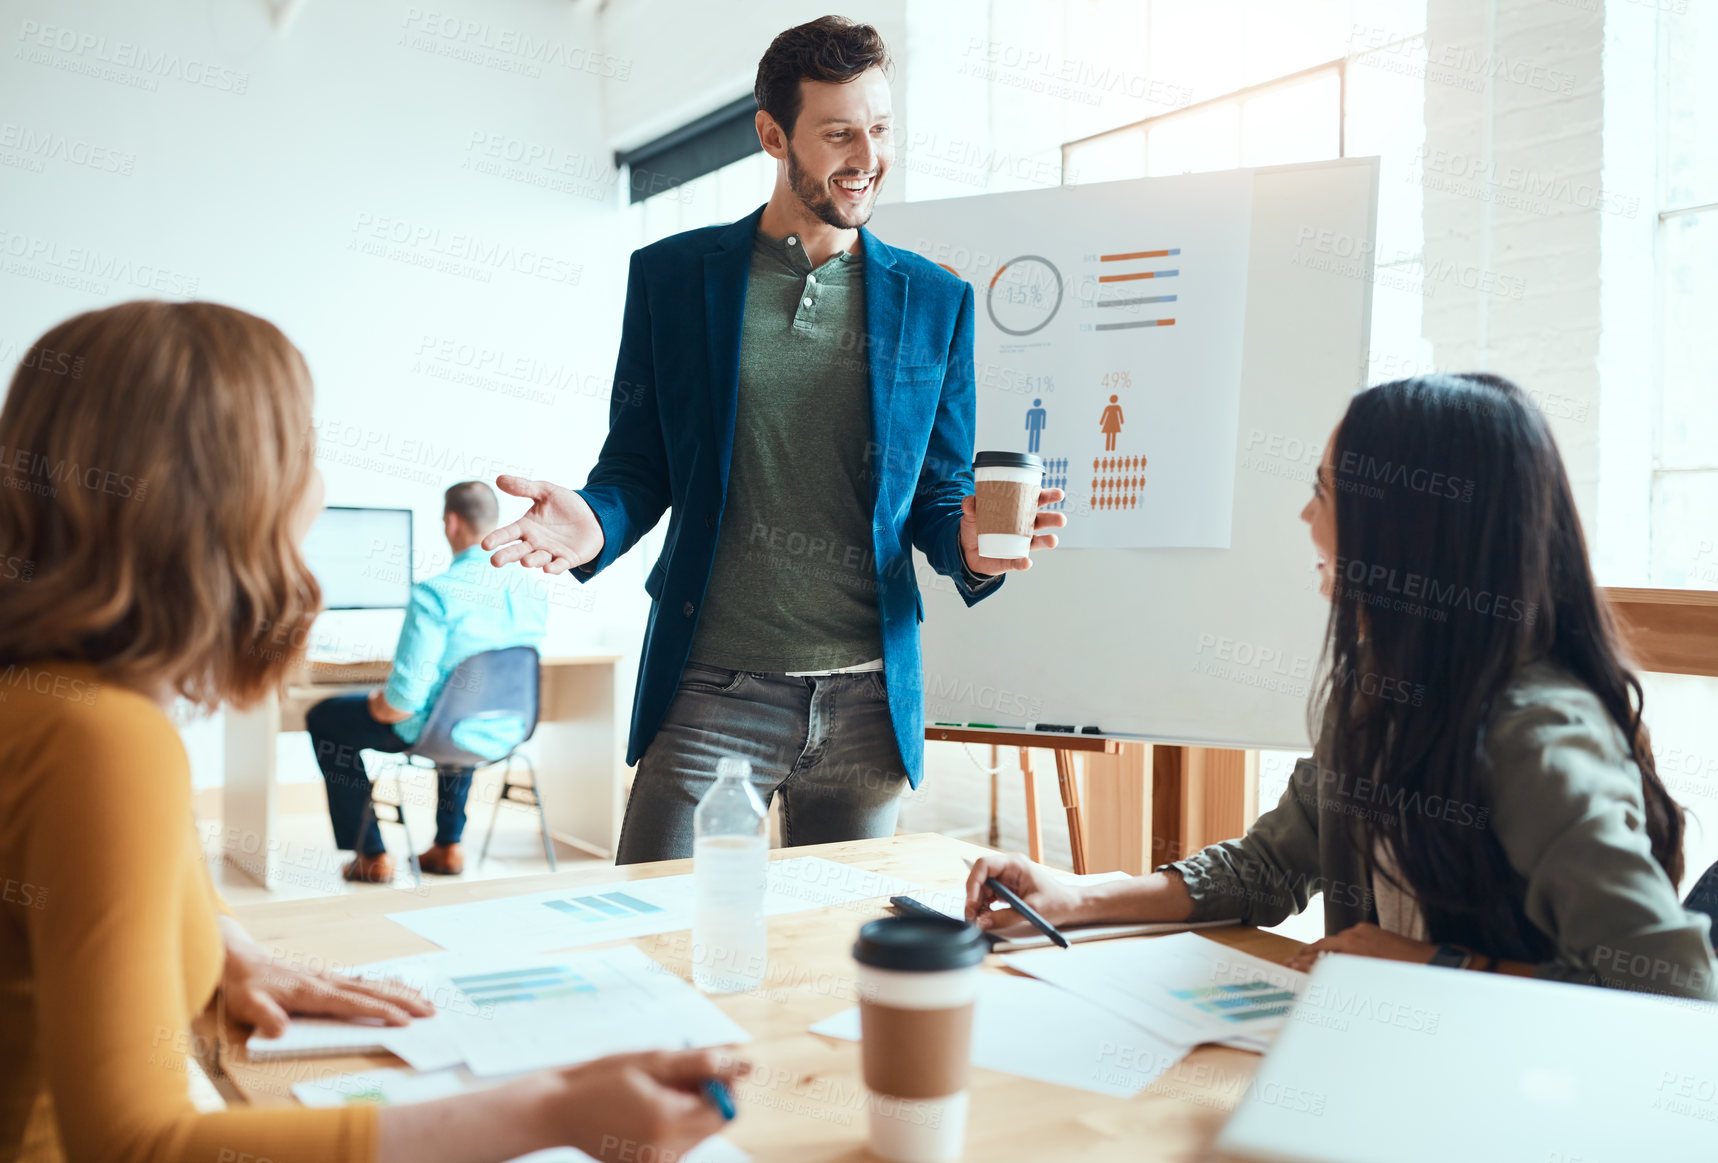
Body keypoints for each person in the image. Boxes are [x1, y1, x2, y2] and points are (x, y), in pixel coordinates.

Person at [0, 301, 745, 1163]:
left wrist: (226, 948)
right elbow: (137, 1145)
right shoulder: (104, 743)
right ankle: (441, 839)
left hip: (426, 730)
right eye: (303, 447)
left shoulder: (57, 704)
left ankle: (376, 847)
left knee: (336, 723)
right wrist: (546, 1112)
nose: (314, 485)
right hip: (494, 730)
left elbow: (103, 868)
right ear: (229, 491)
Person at [481, 17, 1066, 864]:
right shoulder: (675, 280)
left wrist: (971, 543)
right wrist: (596, 524)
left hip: (867, 700)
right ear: (771, 135)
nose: (867, 154)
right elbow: (640, 463)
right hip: (713, 685)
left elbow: (938, 495)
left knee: (830, 964)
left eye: (881, 127)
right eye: (838, 133)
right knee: (653, 931)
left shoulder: (937, 302)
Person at [967, 373, 1718, 999]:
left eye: (1324, 491)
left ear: (1409, 529)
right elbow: (1270, 865)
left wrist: (1439, 967)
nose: (1305, 515)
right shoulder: (1378, 692)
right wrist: (1074, 895)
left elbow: (1678, 988)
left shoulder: (1533, 736)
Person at [308, 480, 547, 882]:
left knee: (326, 718)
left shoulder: (435, 595)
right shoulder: (530, 592)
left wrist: (375, 701)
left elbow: (398, 706)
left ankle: (371, 855)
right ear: (492, 522)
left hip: (442, 731)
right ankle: (448, 846)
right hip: (506, 729)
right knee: (460, 710)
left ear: (451, 523)